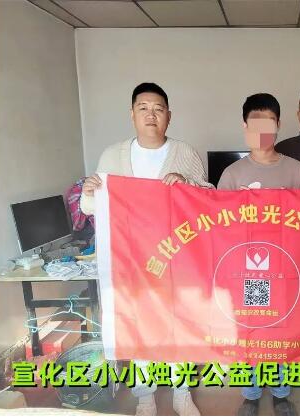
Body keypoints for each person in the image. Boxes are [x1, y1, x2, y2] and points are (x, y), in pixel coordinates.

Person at [81, 82, 212, 415]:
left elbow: (208, 198)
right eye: (143, 108)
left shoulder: (185, 153)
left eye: (158, 109)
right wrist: (90, 191)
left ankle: (182, 393)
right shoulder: (112, 156)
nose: (151, 115)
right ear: (132, 114)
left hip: (178, 259)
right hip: (132, 261)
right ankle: (145, 396)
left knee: (181, 325)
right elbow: (92, 208)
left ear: (169, 115)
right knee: (139, 326)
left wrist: (187, 184)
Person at [218, 93, 300, 415]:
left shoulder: (295, 170)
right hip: (250, 271)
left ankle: (282, 392)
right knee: (252, 331)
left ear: (278, 125)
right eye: (255, 124)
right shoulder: (232, 174)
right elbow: (217, 226)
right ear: (245, 127)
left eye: (268, 123)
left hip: (285, 269)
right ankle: (251, 393)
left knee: (283, 331)